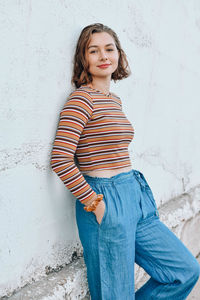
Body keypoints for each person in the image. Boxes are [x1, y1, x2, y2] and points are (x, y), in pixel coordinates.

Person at [50, 23, 200, 300]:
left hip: (135, 194)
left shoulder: (114, 100)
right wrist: (94, 202)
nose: (103, 56)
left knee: (184, 270)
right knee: (115, 294)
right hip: (103, 197)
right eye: (93, 51)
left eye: (109, 48)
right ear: (83, 59)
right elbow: (60, 158)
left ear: (119, 54)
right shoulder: (81, 100)